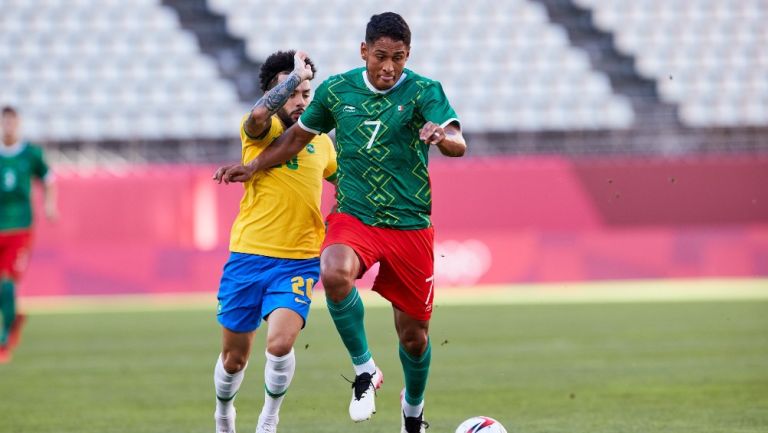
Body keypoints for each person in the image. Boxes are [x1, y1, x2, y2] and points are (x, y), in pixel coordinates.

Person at [215, 12, 467, 433]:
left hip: (410, 224)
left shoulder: (424, 90)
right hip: (353, 217)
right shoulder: (334, 92)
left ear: (408, 56)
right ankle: (364, 369)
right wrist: (255, 165)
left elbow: (459, 141)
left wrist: (443, 139)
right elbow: (290, 135)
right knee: (332, 272)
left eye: (399, 58)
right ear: (364, 51)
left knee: (414, 337)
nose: (389, 67)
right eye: (381, 56)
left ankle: (413, 414)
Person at [211, 50, 337, 433]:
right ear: (274, 92)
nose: (300, 100)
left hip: (298, 261)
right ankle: (223, 413)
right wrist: (291, 79)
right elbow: (259, 116)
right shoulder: (260, 134)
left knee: (280, 345)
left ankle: (269, 418)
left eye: (306, 92)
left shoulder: (323, 144)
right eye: (292, 92)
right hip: (248, 257)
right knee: (234, 359)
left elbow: (346, 181)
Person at [0, 105, 57, 363]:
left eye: (12, 122)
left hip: (20, 228)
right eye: (5, 122)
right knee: (3, 285)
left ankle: (4, 339)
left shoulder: (30, 154)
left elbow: (48, 178)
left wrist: (49, 205)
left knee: (7, 280)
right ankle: (13, 321)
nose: (8, 127)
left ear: (18, 125)